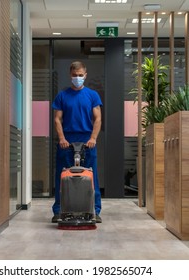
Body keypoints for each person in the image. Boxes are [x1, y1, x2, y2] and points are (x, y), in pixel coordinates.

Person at [51, 61, 103, 223]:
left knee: (91, 175)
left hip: (88, 140)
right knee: (62, 175)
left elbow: (98, 118)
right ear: (70, 75)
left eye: (81, 76)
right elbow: (57, 119)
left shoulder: (92, 95)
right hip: (67, 140)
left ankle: (95, 210)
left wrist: (93, 138)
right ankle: (59, 210)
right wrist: (61, 138)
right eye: (75, 75)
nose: (78, 78)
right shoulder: (62, 96)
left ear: (85, 75)